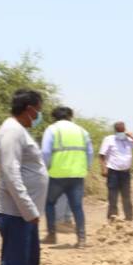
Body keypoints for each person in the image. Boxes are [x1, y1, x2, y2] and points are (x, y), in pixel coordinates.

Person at [0, 89, 52, 265]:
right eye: (38, 111)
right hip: (15, 212)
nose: (38, 116)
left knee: (29, 260)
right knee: (15, 262)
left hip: (26, 214)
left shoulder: (20, 130)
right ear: (29, 109)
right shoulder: (12, 131)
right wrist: (28, 208)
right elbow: (11, 173)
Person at [41, 106, 93, 247]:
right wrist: (86, 168)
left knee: (49, 203)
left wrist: (46, 167)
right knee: (77, 207)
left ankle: (52, 235)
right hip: (77, 174)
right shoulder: (82, 131)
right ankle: (81, 239)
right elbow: (89, 152)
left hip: (57, 175)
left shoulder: (52, 129)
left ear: (54, 117)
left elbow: (45, 152)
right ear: (71, 116)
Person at [98, 121, 133, 222]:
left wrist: (131, 135)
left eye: (122, 131)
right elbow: (101, 155)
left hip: (125, 172)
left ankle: (129, 218)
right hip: (113, 172)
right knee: (112, 196)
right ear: (115, 130)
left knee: (126, 196)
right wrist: (103, 168)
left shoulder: (128, 139)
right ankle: (112, 217)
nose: (121, 133)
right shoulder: (109, 139)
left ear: (125, 130)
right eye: (119, 131)